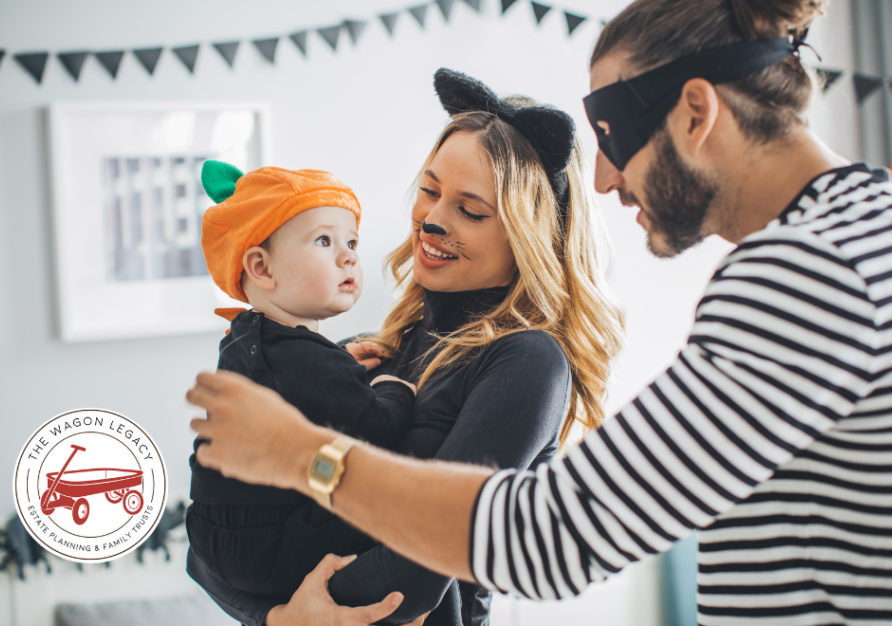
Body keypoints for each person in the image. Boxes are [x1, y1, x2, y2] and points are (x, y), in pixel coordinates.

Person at [188, 0, 892, 623]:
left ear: (696, 113)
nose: (600, 181)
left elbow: (550, 536)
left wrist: (302, 456)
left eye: (609, 136)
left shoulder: (807, 276)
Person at [191, 69, 625, 626]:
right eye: (429, 190)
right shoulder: (361, 355)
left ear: (526, 237)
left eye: (470, 211)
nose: (433, 220)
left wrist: (300, 611)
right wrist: (282, 618)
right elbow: (211, 542)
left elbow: (421, 566)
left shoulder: (526, 361)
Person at [185, 162, 419, 621]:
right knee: (375, 500)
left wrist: (338, 369)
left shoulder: (246, 340)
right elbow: (379, 427)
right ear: (261, 267)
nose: (349, 256)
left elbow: (298, 387)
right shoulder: (308, 360)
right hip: (272, 550)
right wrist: (393, 385)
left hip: (214, 540)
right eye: (324, 241)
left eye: (351, 242)